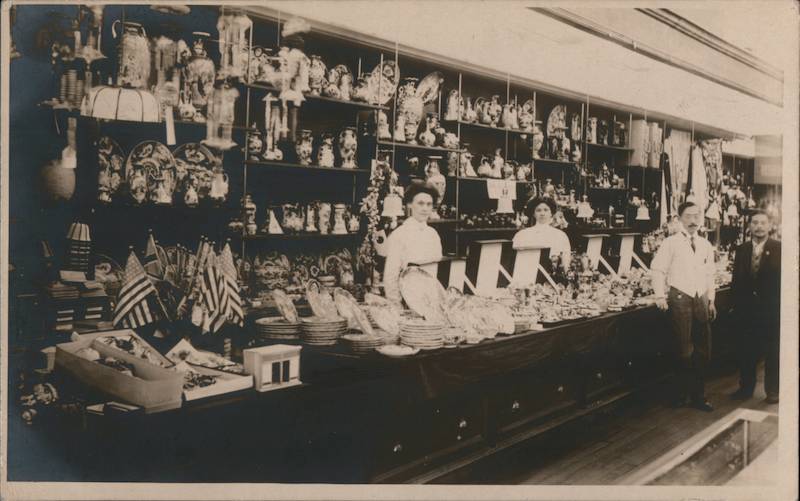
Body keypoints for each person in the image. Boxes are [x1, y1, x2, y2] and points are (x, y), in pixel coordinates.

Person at [651, 201, 717, 412]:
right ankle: (680, 395)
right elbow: (658, 270)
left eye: (697, 216)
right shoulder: (670, 243)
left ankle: (699, 396)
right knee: (683, 350)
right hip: (679, 297)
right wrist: (660, 295)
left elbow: (710, 274)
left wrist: (712, 299)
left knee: (702, 350)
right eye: (688, 216)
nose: (693, 221)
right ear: (679, 219)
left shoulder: (705, 244)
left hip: (701, 299)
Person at [729, 210, 781, 404]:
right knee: (746, 350)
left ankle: (773, 391)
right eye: (755, 223)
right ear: (749, 226)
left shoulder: (779, 248)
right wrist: (735, 305)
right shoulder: (741, 249)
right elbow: (736, 281)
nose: (759, 226)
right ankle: (746, 388)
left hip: (771, 310)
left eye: (763, 223)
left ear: (769, 226)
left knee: (772, 351)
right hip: (746, 310)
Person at [383, 182, 443, 303]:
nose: (425, 208)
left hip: (431, 300)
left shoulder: (433, 235)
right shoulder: (399, 234)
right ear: (410, 205)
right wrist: (397, 305)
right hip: (407, 301)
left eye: (429, 204)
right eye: (420, 203)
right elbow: (390, 276)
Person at [512, 197, 571, 270]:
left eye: (546, 210)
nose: (542, 213)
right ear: (533, 214)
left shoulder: (561, 236)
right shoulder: (521, 235)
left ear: (551, 213)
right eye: (538, 210)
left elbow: (566, 261)